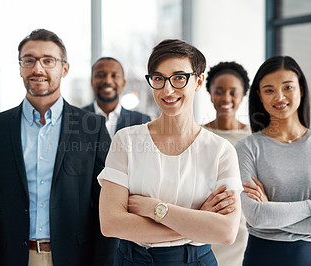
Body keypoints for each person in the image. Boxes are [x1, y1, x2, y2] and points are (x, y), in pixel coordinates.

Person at [0, 29, 114, 266]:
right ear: (20, 68)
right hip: (13, 258)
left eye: (48, 60)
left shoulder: (92, 128)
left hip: (75, 258)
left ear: (64, 68)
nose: (38, 69)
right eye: (29, 60)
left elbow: (107, 207)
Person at [97, 39, 243, 265]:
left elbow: (226, 232)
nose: (167, 88)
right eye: (158, 78)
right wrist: (197, 224)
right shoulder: (126, 140)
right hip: (133, 260)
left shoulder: (221, 151)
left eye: (179, 78)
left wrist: (154, 209)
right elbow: (111, 224)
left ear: (198, 81)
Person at [235, 55, 311, 266]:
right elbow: (256, 216)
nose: (279, 97)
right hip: (262, 257)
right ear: (260, 96)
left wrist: (272, 213)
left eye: (287, 87)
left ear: (301, 88)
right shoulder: (245, 149)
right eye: (269, 90)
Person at [203, 61, 251, 265]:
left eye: (233, 92)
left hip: (242, 230)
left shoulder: (254, 138)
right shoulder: (197, 136)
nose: (226, 99)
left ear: (243, 94)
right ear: (210, 93)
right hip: (203, 225)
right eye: (219, 91)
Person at [83, 57, 151, 139]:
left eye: (114, 76)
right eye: (100, 75)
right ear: (91, 82)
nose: (108, 81)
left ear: (123, 83)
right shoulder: (76, 118)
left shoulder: (141, 121)